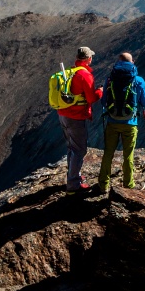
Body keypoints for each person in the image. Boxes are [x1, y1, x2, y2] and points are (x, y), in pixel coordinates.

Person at [98, 52, 145, 192]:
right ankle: (128, 184)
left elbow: (103, 101)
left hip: (112, 122)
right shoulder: (138, 80)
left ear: (118, 62)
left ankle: (103, 184)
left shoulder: (109, 79)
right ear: (132, 62)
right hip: (130, 123)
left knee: (108, 153)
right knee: (128, 155)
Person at [57, 46, 102, 194]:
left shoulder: (71, 71)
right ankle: (73, 185)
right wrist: (100, 92)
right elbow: (91, 98)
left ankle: (73, 176)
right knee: (79, 149)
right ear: (89, 59)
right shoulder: (84, 75)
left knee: (72, 147)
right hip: (75, 117)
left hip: (63, 114)